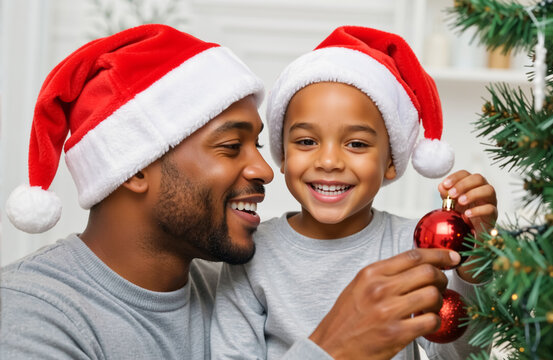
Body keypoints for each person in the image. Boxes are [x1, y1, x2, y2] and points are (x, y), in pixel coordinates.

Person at [1, 24, 465, 359]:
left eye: (260, 143)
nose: (266, 169)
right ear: (134, 168)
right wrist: (332, 352)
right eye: (230, 146)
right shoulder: (31, 315)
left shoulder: (228, 279)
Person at [211, 26, 498, 359]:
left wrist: (473, 268)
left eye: (357, 144)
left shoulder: (415, 245)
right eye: (306, 141)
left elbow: (460, 356)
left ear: (391, 162)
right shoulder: (251, 254)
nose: (329, 161)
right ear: (283, 156)